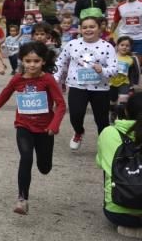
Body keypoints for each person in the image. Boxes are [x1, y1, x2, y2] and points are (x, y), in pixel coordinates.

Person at [0, 41, 66, 215]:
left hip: (45, 130)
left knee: (44, 167)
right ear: (22, 61)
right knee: (26, 158)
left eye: (36, 61)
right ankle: (22, 199)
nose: (32, 65)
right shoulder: (17, 79)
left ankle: (42, 168)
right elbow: (2, 98)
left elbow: (61, 105)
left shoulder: (47, 79)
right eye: (28, 61)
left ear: (43, 61)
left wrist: (54, 125)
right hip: (24, 126)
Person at [54, 16, 119, 151]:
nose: (88, 30)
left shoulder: (107, 46)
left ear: (99, 28)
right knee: (75, 116)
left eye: (92, 27)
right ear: (80, 29)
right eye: (84, 27)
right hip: (78, 86)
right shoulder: (72, 44)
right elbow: (60, 62)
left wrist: (103, 70)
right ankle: (79, 132)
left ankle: (105, 144)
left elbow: (114, 70)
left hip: (100, 89)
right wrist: (55, 78)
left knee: (102, 120)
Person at [96, 93, 142, 230]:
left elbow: (100, 162)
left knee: (108, 167)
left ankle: (116, 200)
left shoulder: (109, 132)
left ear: (126, 111)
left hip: (118, 214)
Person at [110, 37, 140, 121]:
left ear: (130, 47)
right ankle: (113, 112)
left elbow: (136, 72)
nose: (124, 47)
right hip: (111, 83)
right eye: (122, 45)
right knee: (112, 101)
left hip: (124, 83)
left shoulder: (132, 59)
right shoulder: (112, 56)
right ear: (117, 46)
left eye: (127, 46)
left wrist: (134, 85)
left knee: (122, 101)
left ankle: (119, 117)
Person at [113, 0, 142, 66]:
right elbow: (115, 21)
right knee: (123, 63)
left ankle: (134, 79)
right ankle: (123, 79)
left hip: (139, 37)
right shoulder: (121, 6)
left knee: (137, 64)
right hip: (124, 37)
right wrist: (111, 34)